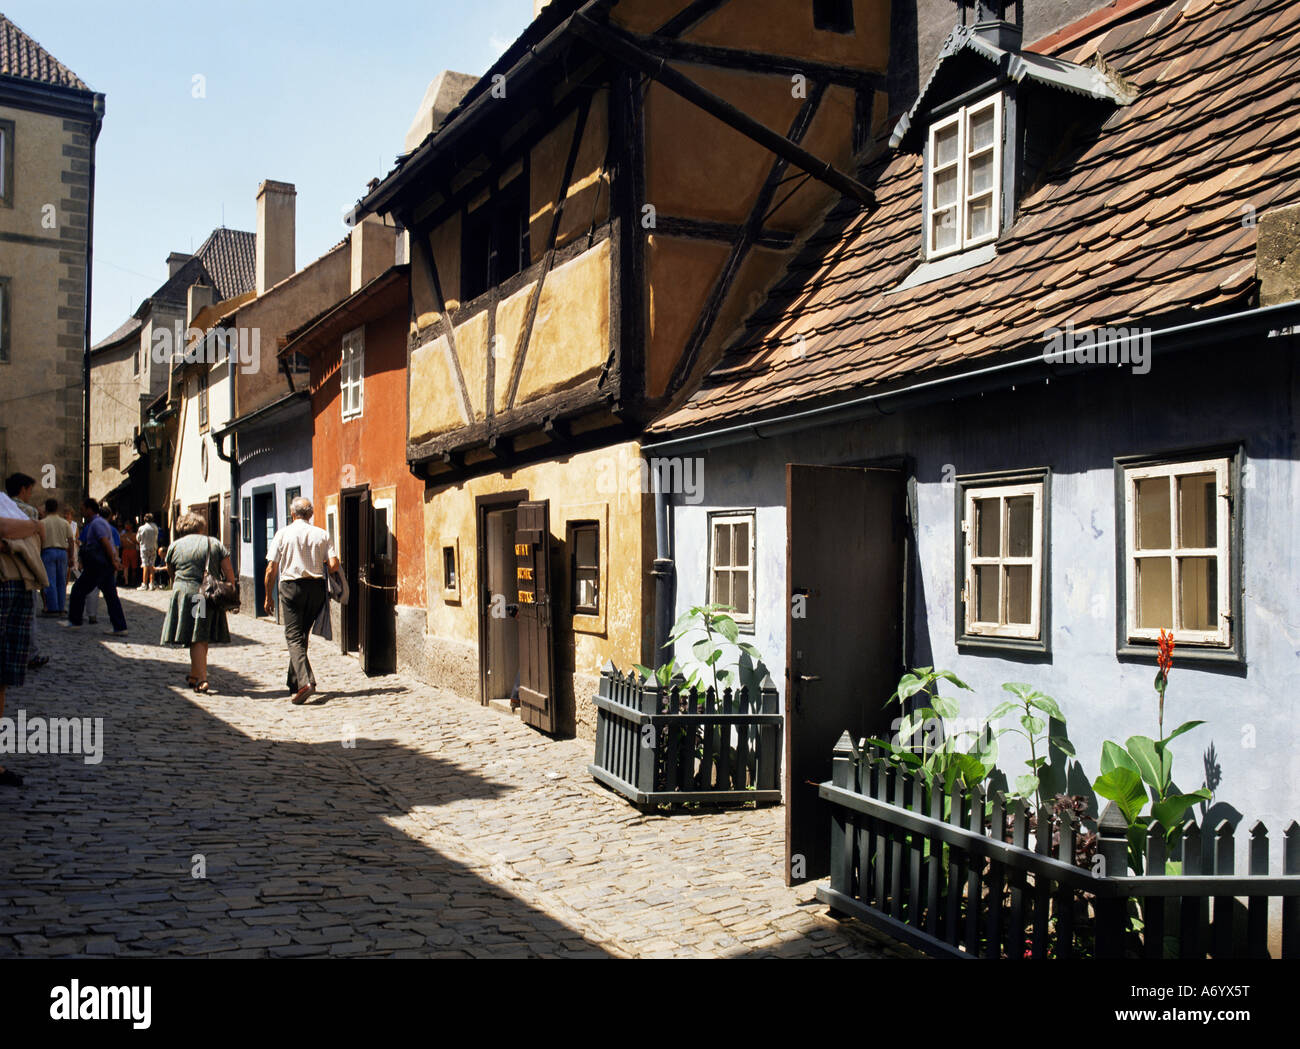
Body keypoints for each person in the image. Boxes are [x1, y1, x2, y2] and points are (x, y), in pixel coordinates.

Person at [263, 496, 337, 704]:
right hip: (315, 588)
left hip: (291, 587)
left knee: (294, 636)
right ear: (311, 514)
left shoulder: (283, 534)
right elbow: (333, 564)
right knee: (302, 635)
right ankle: (293, 682)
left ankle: (306, 682)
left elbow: (271, 569)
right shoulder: (322, 534)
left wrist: (268, 596)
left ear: (292, 513)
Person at [0, 482, 45, 787]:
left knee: (2, 675)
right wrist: (29, 527)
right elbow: (29, 528)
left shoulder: (4, 499)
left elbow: (36, 530)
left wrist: (25, 529)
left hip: (18, 585)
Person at [160, 512, 235, 693]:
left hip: (184, 595)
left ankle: (197, 675)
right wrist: (230, 591)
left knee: (196, 635)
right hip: (204, 596)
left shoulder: (175, 546)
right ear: (201, 526)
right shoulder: (213, 543)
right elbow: (229, 573)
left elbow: (171, 572)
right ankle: (201, 677)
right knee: (199, 636)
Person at [6, 474, 48, 670]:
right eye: (30, 490)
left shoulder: (4, 505)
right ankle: (29, 655)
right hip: (24, 567)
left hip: (6, 570)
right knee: (26, 616)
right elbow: (38, 538)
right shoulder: (28, 510)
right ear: (23, 489)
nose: (30, 494)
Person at [67, 497, 127, 634]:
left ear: (89, 509)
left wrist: (113, 560)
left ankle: (75, 621)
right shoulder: (100, 522)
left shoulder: (96, 524)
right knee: (111, 596)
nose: (81, 512)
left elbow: (105, 542)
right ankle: (120, 626)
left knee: (78, 590)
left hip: (98, 565)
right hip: (103, 565)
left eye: (83, 509)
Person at [39, 499, 73, 615]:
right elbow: (71, 540)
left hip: (48, 551)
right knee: (61, 581)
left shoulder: (43, 523)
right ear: (57, 508)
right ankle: (61, 607)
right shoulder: (64, 523)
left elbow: (39, 540)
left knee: (50, 581)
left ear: (46, 509)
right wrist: (71, 556)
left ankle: (52, 607)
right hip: (63, 552)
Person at [137, 513, 159, 590]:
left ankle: (144, 584)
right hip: (153, 547)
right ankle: (151, 583)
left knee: (145, 565)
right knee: (152, 565)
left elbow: (138, 538)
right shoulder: (155, 527)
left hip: (144, 548)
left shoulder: (142, 528)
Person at [121, 519, 140, 588]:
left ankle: (126, 582)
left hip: (125, 551)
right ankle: (133, 581)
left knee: (126, 567)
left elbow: (121, 544)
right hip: (133, 551)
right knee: (133, 567)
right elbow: (138, 543)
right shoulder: (134, 535)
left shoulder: (122, 536)